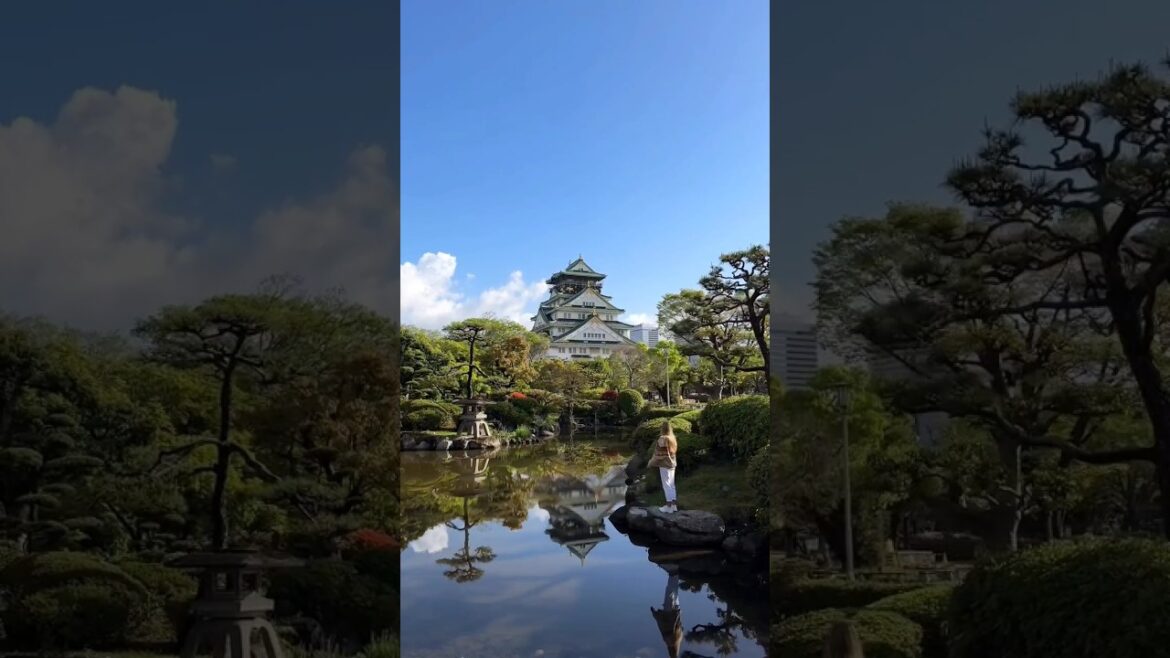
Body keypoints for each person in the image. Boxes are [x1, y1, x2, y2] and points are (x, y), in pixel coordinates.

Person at [651, 565, 683, 658]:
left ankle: (675, 573)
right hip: (669, 611)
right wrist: (655, 614)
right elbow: (662, 624)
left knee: (674, 590)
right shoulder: (669, 640)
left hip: (676, 610)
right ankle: (673, 570)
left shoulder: (678, 639)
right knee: (670, 590)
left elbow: (678, 624)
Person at [648, 421, 678, 513]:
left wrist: (650, 463)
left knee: (666, 485)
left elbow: (660, 454)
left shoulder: (663, 438)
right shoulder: (672, 438)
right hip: (672, 464)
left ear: (662, 428)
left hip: (665, 464)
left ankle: (668, 506)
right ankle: (674, 506)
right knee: (672, 485)